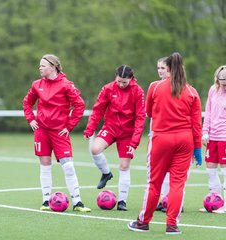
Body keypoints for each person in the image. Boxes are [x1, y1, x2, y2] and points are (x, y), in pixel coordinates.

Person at [128, 52, 202, 234]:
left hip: (162, 138)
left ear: (167, 69)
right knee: (178, 184)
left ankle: (143, 223)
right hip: (185, 140)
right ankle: (172, 225)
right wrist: (198, 149)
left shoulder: (155, 86)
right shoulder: (192, 91)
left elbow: (149, 113)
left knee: (154, 183)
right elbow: (196, 124)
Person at [23, 54, 91, 212]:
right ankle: (46, 200)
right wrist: (30, 119)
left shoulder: (66, 85)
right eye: (39, 65)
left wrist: (69, 126)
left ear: (53, 67)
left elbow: (79, 105)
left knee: (68, 167)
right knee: (45, 165)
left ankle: (77, 202)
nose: (40, 68)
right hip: (41, 131)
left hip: (60, 132)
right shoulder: (36, 84)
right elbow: (27, 102)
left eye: (43, 65)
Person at [83, 65, 146, 211]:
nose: (121, 84)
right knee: (95, 149)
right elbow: (98, 110)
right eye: (119, 81)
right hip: (110, 128)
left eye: (124, 82)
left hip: (128, 134)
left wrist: (134, 142)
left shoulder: (138, 91)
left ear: (131, 79)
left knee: (124, 166)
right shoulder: (108, 88)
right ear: (115, 77)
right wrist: (89, 129)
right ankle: (106, 173)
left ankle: (122, 201)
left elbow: (140, 117)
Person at [200, 65, 226, 213]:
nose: (224, 86)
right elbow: (208, 112)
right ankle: (215, 201)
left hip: (224, 137)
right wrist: (205, 132)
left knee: (225, 171)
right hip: (212, 137)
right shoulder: (212, 90)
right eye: (222, 83)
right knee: (210, 170)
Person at [154, 57, 171, 212]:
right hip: (159, 132)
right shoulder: (156, 86)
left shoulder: (177, 86)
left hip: (171, 133)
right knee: (163, 170)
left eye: (163, 68)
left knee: (173, 170)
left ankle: (174, 201)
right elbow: (150, 111)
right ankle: (165, 200)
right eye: (158, 68)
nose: (160, 70)